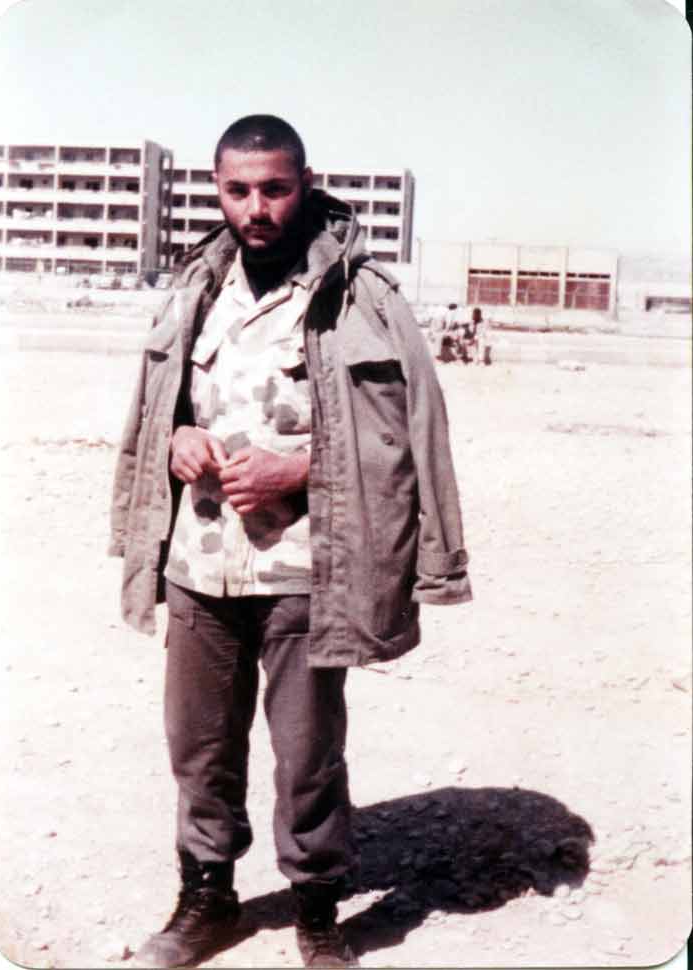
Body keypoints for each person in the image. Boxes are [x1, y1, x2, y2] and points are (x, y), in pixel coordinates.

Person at [110, 114, 472, 969]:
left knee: (308, 755)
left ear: (305, 184)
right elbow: (162, 410)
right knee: (198, 748)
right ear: (217, 189)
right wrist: (178, 440)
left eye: (275, 189)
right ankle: (206, 899)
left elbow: (402, 433)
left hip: (311, 567)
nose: (257, 208)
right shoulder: (196, 288)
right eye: (238, 190)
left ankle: (316, 909)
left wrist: (298, 468)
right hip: (200, 564)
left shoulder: (362, 297)